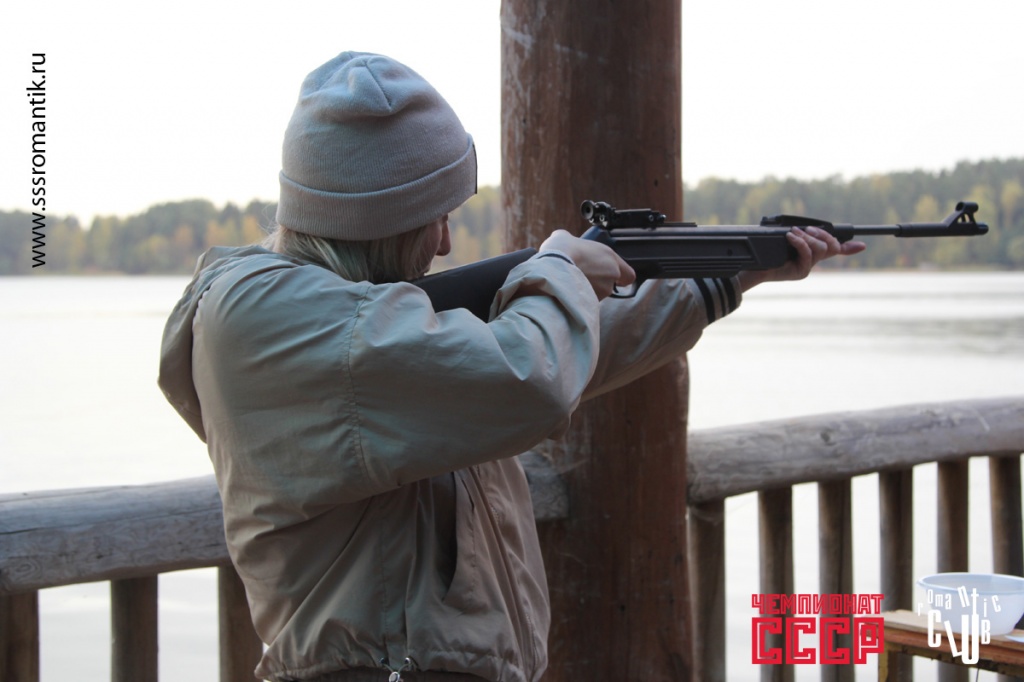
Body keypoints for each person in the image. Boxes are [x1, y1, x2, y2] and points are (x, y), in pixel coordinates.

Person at [158, 51, 864, 682]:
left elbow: (570, 352)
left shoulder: (367, 325)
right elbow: (530, 378)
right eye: (433, 217)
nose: (444, 243)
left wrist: (731, 273)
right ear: (374, 221)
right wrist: (558, 270)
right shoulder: (267, 319)